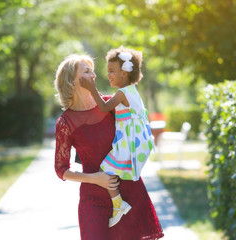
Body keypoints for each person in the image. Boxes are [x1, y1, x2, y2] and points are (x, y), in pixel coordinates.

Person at [54, 54, 164, 240]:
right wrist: (94, 178)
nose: (95, 76)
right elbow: (61, 169)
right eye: (88, 72)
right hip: (93, 199)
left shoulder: (111, 104)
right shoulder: (65, 122)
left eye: (93, 71)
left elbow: (137, 123)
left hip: (128, 190)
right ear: (73, 81)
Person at [79, 46, 155, 227]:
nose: (109, 75)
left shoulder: (122, 93)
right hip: (136, 140)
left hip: (128, 142)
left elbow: (104, 107)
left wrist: (91, 89)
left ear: (125, 73)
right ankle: (118, 203)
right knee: (108, 171)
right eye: (108, 71)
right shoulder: (132, 90)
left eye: (112, 71)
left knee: (105, 170)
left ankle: (119, 204)